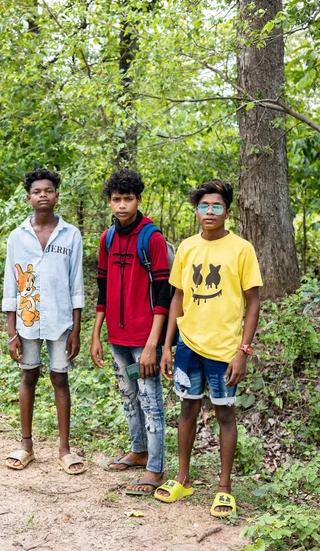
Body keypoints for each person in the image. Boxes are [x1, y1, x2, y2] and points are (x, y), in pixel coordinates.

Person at [155, 179, 262, 516]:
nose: (211, 211)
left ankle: (224, 488)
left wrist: (242, 351)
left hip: (224, 351)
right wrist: (168, 345)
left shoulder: (241, 249)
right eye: (204, 206)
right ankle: (183, 479)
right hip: (188, 347)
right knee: (186, 410)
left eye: (217, 206)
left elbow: (253, 302)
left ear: (227, 211)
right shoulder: (187, 248)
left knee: (224, 414)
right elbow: (178, 297)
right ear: (197, 211)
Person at [90, 169, 171, 495]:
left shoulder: (151, 238)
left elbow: (164, 295)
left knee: (150, 400)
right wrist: (96, 334)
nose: (122, 206)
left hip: (144, 340)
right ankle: (138, 451)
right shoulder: (107, 239)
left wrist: (154, 344)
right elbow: (102, 288)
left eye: (128, 199)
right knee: (128, 398)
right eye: (116, 199)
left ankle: (155, 468)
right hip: (117, 338)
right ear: (109, 202)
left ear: (138, 200)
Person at [2, 168, 86, 474]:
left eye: (48, 191)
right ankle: (26, 446)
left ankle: (64, 449)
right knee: (29, 376)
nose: (42, 196)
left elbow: (76, 284)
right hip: (27, 321)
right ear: (28, 198)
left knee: (60, 379)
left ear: (57, 196)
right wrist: (11, 331)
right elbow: (10, 285)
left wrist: (76, 328)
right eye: (36, 192)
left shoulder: (70, 234)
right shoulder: (17, 237)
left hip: (61, 321)